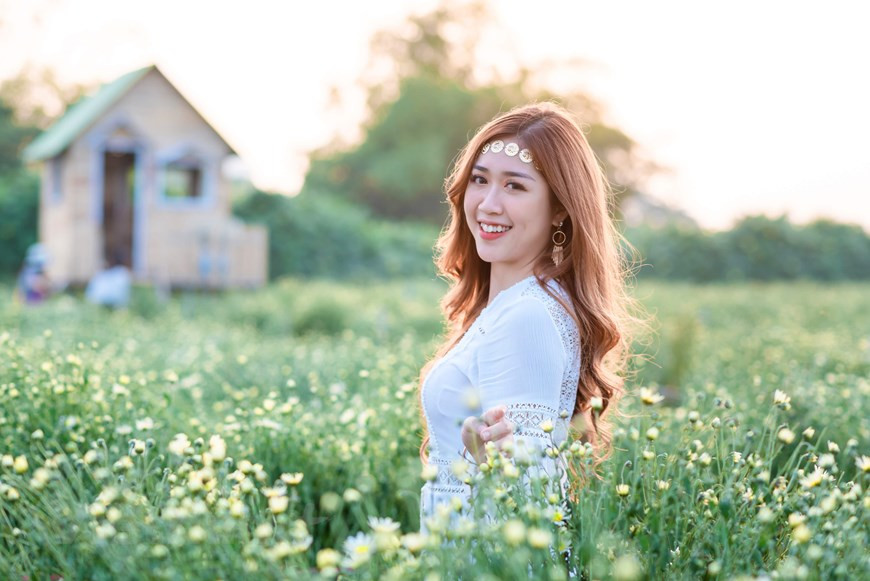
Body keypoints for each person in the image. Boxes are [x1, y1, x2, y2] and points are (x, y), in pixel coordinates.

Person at [417, 102, 639, 566]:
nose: (488, 203)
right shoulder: (509, 308)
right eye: (479, 179)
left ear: (560, 209)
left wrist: (488, 462)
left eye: (514, 186)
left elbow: (532, 503)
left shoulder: (528, 317)